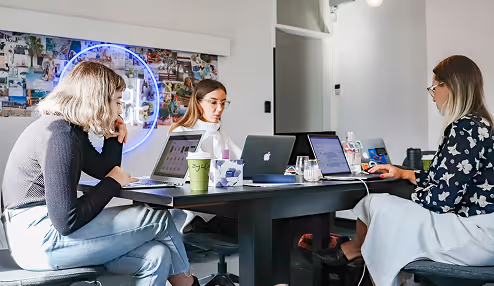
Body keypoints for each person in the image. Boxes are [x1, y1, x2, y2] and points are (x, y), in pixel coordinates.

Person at [1, 61, 199, 286]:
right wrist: (113, 182)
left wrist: (113, 137)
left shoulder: (70, 130)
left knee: (156, 255)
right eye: (117, 102)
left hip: (40, 237)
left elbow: (104, 169)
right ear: (98, 101)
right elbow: (66, 221)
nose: (120, 109)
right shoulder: (60, 135)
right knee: (159, 218)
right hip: (37, 240)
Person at [318, 55, 494, 286]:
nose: (432, 96)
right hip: (481, 228)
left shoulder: (463, 128)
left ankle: (356, 250)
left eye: (434, 88)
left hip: (474, 235)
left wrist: (402, 195)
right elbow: (449, 178)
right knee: (380, 206)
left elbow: (441, 201)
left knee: (377, 204)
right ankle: (357, 250)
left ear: (450, 87)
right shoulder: (480, 124)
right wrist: (405, 174)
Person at [169, 79, 241, 235]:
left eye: (223, 103)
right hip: (197, 211)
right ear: (198, 103)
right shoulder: (180, 132)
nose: (219, 108)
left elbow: (243, 160)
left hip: (222, 203)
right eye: (213, 102)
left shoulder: (221, 134)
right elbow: (184, 176)